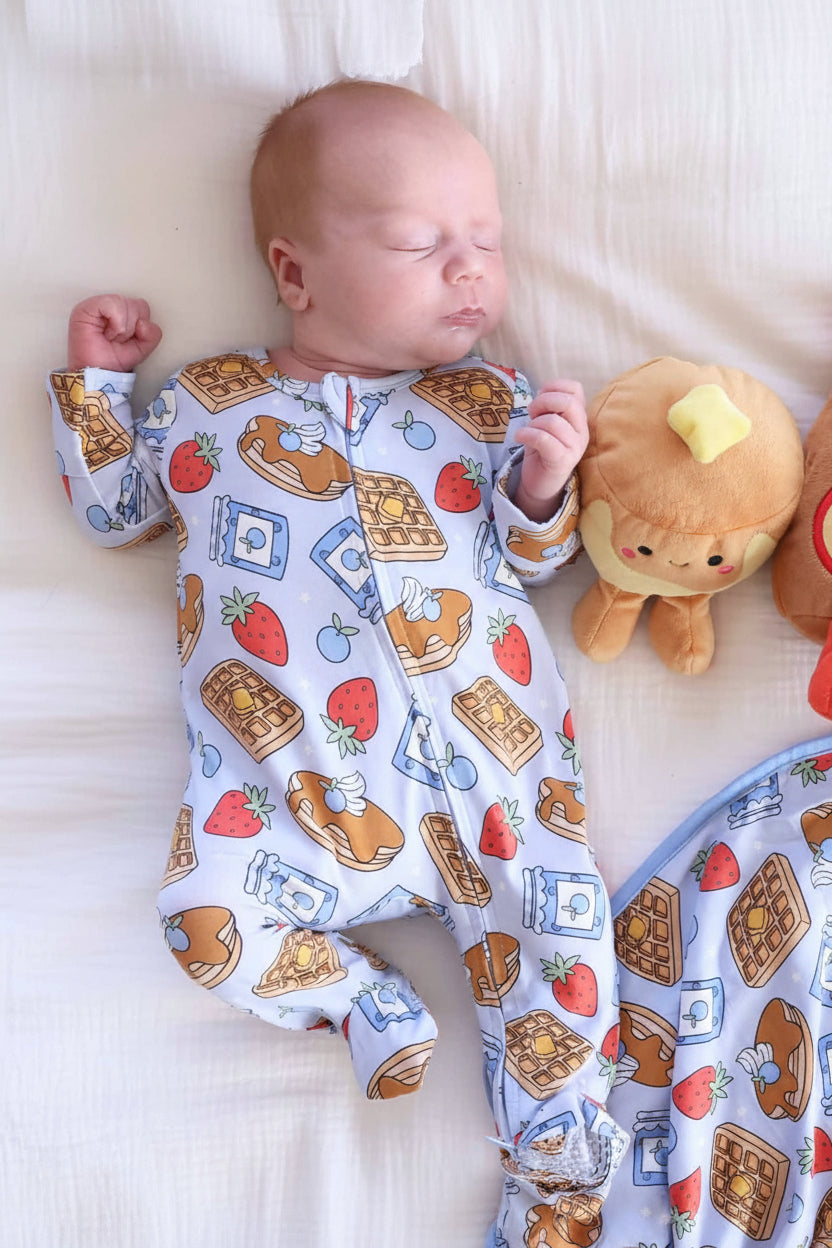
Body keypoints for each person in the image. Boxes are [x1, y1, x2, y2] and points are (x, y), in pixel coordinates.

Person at [49, 79, 627, 1247]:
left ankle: (560, 1189)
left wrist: (543, 485)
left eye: (487, 243)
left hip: (490, 782)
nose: (471, 270)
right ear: (296, 270)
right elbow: (114, 511)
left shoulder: (484, 403)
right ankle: (359, 1001)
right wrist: (99, 387)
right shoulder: (211, 405)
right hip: (291, 797)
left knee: (564, 953)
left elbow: (535, 556)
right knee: (203, 915)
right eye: (423, 245)